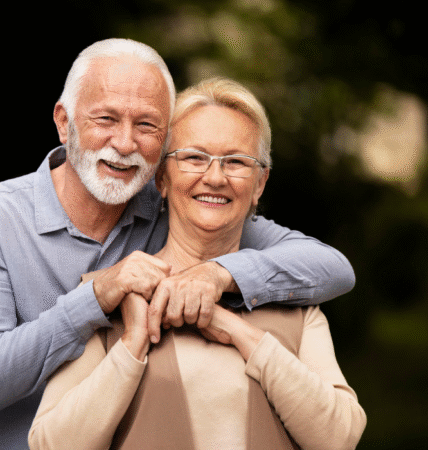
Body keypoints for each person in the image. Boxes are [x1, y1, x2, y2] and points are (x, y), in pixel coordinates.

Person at [0, 38, 355, 449]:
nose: (125, 143)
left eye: (146, 125)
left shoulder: (179, 205)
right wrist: (94, 300)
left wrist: (218, 274)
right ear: (64, 122)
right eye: (106, 119)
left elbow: (331, 267)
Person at [28, 77, 366, 449]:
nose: (215, 177)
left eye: (236, 162)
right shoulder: (108, 295)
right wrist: (132, 342)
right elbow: (50, 444)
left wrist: (238, 332)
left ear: (259, 184)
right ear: (162, 177)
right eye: (194, 158)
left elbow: (339, 438)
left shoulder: (297, 307)